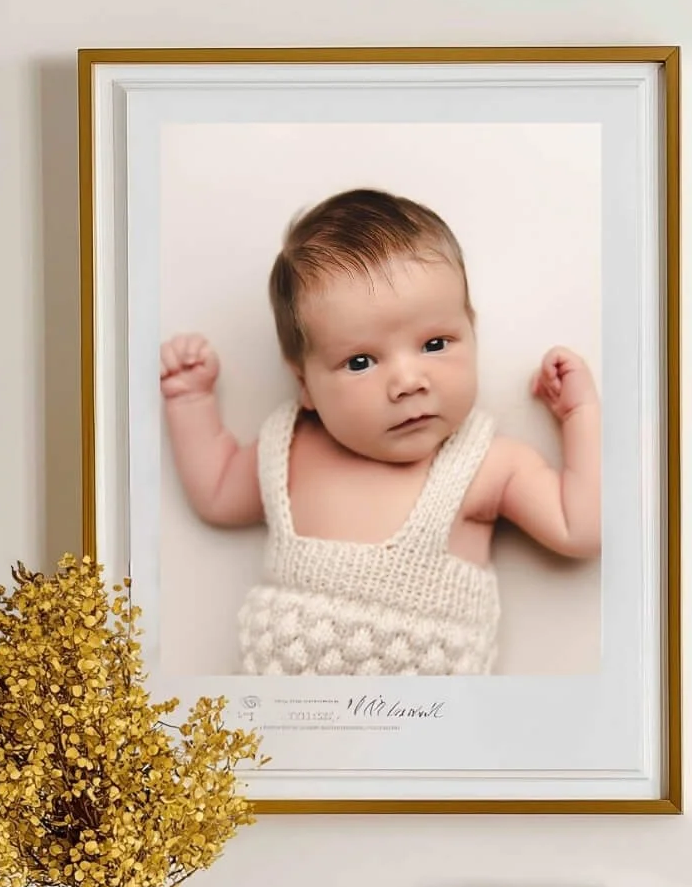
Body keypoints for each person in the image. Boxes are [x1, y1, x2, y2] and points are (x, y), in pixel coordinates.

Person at [159, 188, 600, 676]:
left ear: (472, 332)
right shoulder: (291, 447)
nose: (408, 383)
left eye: (435, 343)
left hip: (425, 732)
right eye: (361, 361)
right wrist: (190, 401)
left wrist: (579, 415)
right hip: (287, 727)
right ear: (304, 382)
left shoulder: (486, 464)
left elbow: (579, 528)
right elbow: (217, 490)